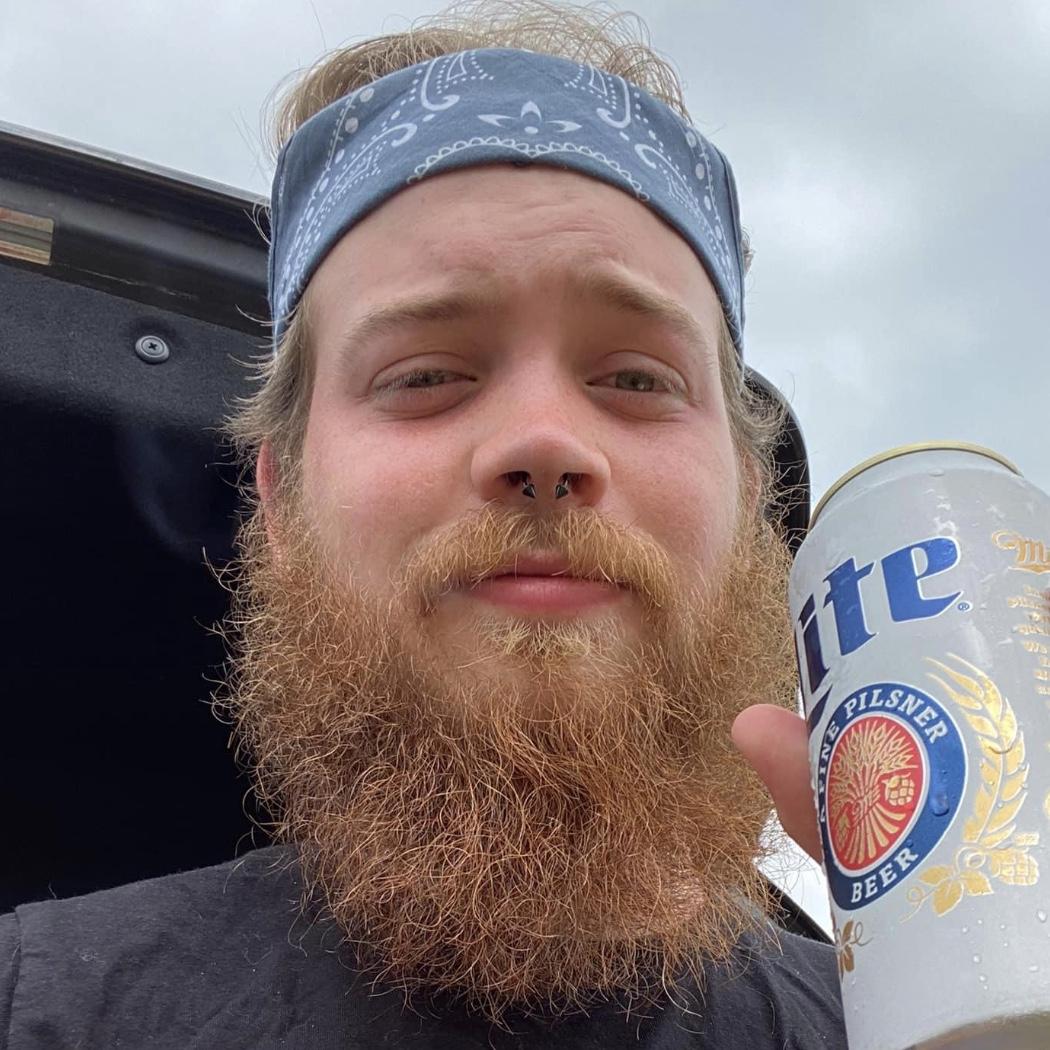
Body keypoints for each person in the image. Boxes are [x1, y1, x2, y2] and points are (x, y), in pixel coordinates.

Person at [0, 2, 845, 1046]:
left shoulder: (924, 1020)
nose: (544, 441)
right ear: (282, 499)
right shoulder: (38, 1007)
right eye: (425, 375)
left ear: (750, 500)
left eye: (637, 377)